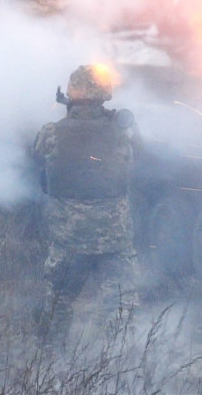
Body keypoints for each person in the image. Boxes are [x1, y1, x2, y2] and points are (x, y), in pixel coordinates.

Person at [32, 64, 139, 352]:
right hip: (113, 236)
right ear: (105, 95)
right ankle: (115, 363)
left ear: (71, 94)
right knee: (119, 303)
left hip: (68, 236)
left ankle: (48, 363)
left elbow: (38, 153)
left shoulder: (52, 132)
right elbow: (137, 156)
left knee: (58, 300)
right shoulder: (123, 131)